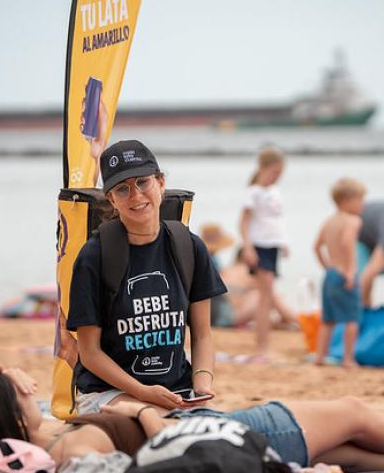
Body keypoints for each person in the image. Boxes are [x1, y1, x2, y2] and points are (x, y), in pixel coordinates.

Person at [0, 364, 384, 471]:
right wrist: (140, 410)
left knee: (345, 450)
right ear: (8, 410)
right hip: (222, 436)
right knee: (354, 414)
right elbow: (157, 454)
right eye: (12, 387)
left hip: (220, 437)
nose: (21, 385)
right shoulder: (70, 449)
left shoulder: (49, 441)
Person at [67, 140, 227, 415]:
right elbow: (89, 353)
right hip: (109, 394)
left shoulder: (189, 247)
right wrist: (142, 393)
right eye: (123, 189)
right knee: (157, 425)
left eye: (143, 182)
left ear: (161, 183)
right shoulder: (94, 256)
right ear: (111, 199)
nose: (136, 195)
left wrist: (202, 383)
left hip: (177, 393)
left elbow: (202, 335)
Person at [239, 147, 288, 361]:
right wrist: (248, 247)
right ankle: (261, 346)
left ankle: (264, 345)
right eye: (275, 172)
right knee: (265, 296)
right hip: (259, 246)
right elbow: (244, 222)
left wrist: (283, 242)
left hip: (272, 245)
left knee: (268, 295)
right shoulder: (254, 192)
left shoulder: (274, 191)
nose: (277, 176)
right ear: (264, 168)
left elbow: (275, 220)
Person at [312, 178, 366, 368]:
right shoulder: (353, 220)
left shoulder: (329, 221)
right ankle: (348, 358)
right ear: (346, 200)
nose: (363, 204)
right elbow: (346, 242)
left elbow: (317, 247)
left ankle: (319, 356)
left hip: (330, 274)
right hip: (345, 274)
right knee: (352, 318)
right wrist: (350, 271)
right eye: (360, 200)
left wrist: (327, 267)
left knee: (328, 319)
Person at [199, 224, 296, 329]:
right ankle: (298, 319)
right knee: (266, 295)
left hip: (209, 316)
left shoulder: (217, 265)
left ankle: (292, 320)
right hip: (220, 317)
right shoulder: (239, 270)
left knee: (264, 306)